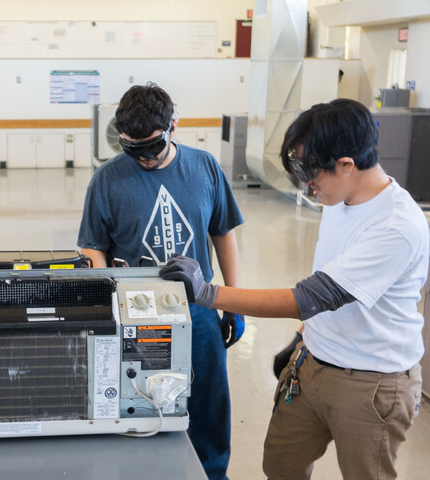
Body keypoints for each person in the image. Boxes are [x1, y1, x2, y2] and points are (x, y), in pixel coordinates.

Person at [160, 99, 428, 480]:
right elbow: (329, 279)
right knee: (281, 466)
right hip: (314, 364)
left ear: (347, 165)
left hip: (372, 382)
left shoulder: (396, 226)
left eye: (311, 171)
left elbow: (307, 298)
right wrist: (302, 340)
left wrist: (208, 293)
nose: (307, 183)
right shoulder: (339, 197)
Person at [77, 83, 244, 480]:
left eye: (152, 147)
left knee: (208, 405)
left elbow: (223, 233)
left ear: (174, 126)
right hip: (138, 315)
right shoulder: (107, 179)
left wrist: (232, 301)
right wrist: (107, 303)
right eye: (132, 149)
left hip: (199, 310)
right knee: (141, 405)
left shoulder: (204, 167)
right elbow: (92, 248)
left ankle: (211, 473)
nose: (144, 158)